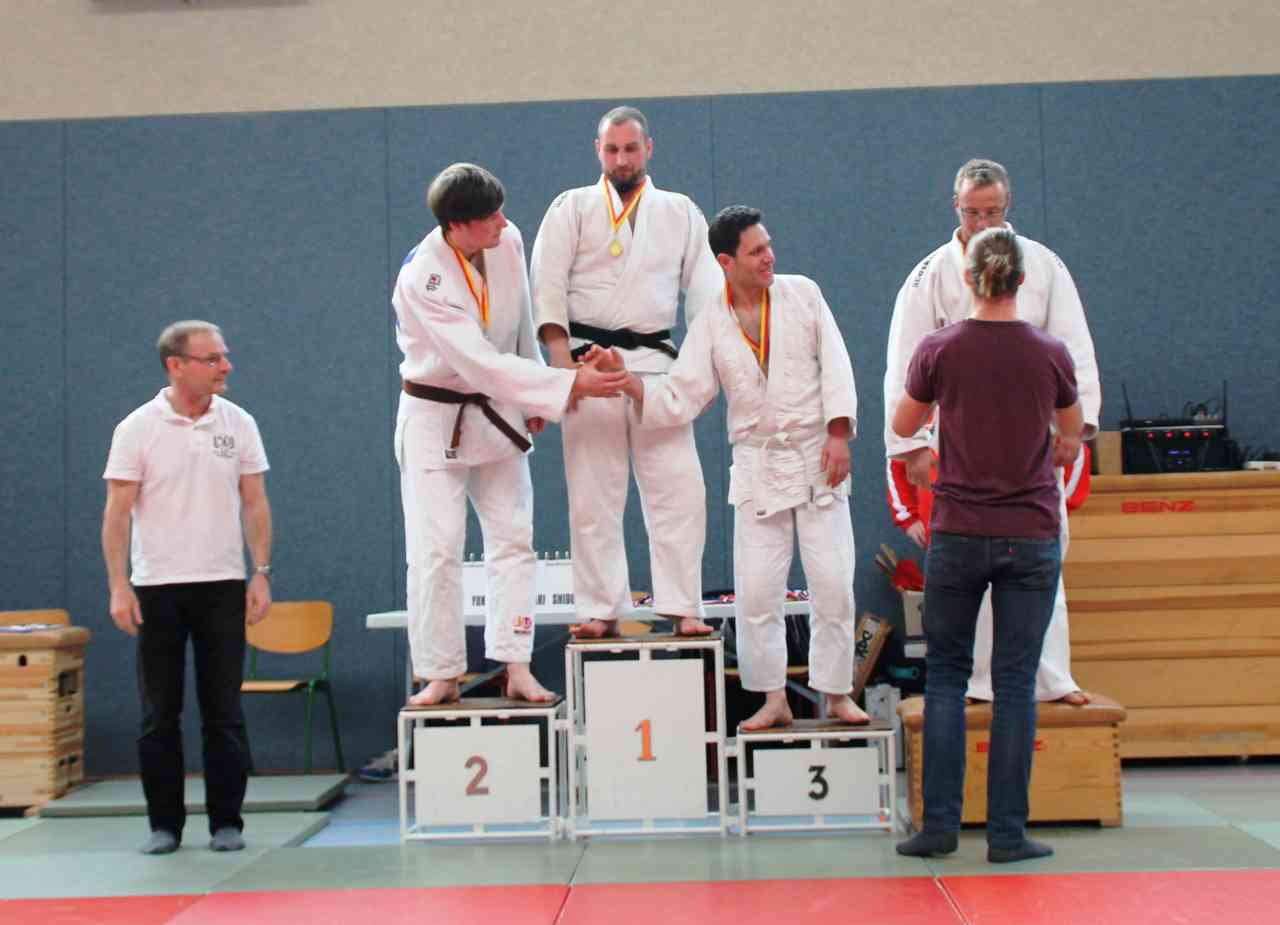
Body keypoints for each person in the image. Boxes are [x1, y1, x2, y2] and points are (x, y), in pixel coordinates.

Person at [601, 205, 867, 729]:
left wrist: (839, 433)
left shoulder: (803, 294)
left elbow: (837, 364)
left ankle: (837, 693)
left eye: (768, 246)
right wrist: (631, 381)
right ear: (726, 261)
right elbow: (683, 394)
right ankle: (772, 698)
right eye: (756, 251)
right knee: (758, 592)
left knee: (834, 584)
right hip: (757, 463)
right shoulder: (711, 322)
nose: (770, 257)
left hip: (817, 456)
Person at [394, 163, 627, 707]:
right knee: (436, 550)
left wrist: (531, 399)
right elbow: (477, 363)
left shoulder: (508, 240)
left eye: (501, 211)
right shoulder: (423, 279)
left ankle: (516, 664)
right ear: (457, 225)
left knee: (514, 539)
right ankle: (440, 673)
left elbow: (520, 320)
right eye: (490, 216)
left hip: (499, 406)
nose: (503, 221)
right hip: (435, 416)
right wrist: (565, 385)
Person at [892, 227, 1084, 863]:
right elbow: (1072, 433)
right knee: (1015, 682)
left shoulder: (938, 349)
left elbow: (902, 423)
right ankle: (1007, 834)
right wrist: (1054, 442)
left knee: (947, 677)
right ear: (1022, 281)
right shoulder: (1050, 352)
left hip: (959, 531)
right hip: (1029, 533)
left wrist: (940, 418)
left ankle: (939, 829)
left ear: (968, 279)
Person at [883, 157, 1100, 705]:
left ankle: (1051, 677)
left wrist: (1073, 433)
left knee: (1045, 556)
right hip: (959, 444)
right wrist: (910, 448)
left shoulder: (1043, 265)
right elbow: (904, 366)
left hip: (1032, 441)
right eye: (972, 212)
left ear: (1008, 207)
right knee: (968, 565)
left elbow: (1073, 350)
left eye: (993, 212)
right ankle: (979, 682)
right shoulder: (929, 274)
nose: (982, 223)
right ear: (955, 207)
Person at [530, 105, 723, 638]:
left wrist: (699, 374)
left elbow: (707, 297)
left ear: (648, 149)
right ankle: (600, 607)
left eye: (631, 149)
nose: (621, 159)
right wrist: (562, 369)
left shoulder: (680, 211)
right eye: (612, 149)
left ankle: (683, 605)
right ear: (598, 150)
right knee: (593, 495)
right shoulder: (570, 207)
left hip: (656, 365)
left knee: (680, 491)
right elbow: (546, 285)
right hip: (588, 364)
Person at [102, 320, 272, 855]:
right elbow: (117, 514)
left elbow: (255, 502)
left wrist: (261, 571)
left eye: (224, 356)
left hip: (222, 585)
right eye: (212, 359)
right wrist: (119, 586)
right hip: (157, 588)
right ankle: (164, 826)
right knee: (159, 714)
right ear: (176, 365)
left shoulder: (239, 423)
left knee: (224, 711)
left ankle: (227, 823)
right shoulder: (137, 428)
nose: (226, 366)